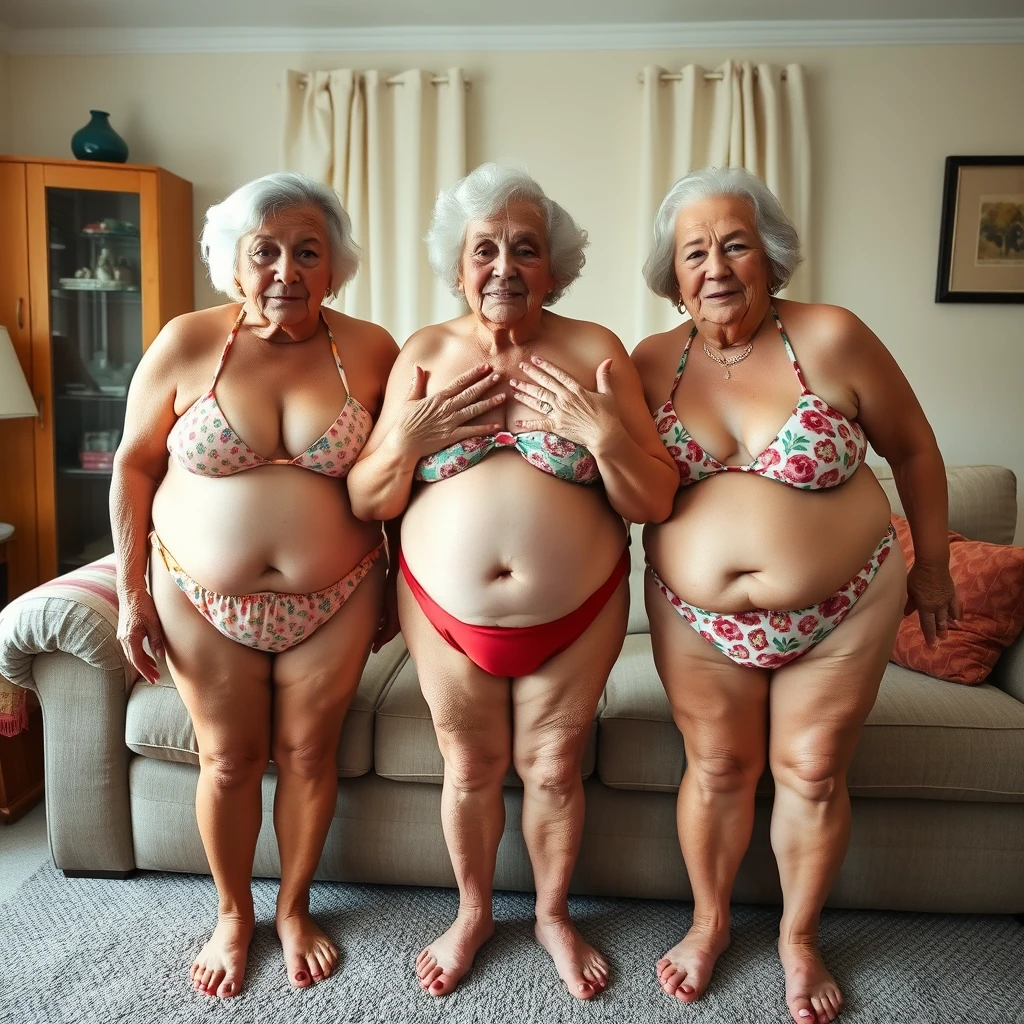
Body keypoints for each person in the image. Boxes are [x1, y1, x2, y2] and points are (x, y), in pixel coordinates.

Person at [632, 166, 957, 1024]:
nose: (715, 265)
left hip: (844, 601)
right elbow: (619, 482)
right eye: (693, 250)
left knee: (811, 773)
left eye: (734, 244)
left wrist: (934, 569)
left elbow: (917, 451)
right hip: (693, 611)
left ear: (771, 256)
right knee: (718, 765)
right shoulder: (648, 362)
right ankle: (709, 925)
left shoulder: (833, 336)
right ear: (671, 271)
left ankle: (798, 938)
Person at [347, 163, 677, 1000]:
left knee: (556, 766)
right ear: (458, 267)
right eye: (484, 249)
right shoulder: (422, 353)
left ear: (553, 266)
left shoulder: (595, 349)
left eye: (524, 249)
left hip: (580, 604)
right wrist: (408, 440)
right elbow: (368, 496)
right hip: (438, 604)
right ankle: (472, 912)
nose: (504, 266)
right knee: (467, 765)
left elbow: (655, 497)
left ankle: (554, 915)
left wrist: (600, 435)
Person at [111, 172, 398, 998]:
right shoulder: (185, 342)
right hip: (199, 597)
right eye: (264, 251)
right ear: (233, 264)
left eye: (308, 251)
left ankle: (297, 907)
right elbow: (133, 466)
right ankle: (234, 912)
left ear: (334, 266)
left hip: (338, 591)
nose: (285, 270)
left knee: (311, 754)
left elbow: (402, 474)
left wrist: (396, 588)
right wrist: (131, 593)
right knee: (230, 759)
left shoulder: (371, 348)